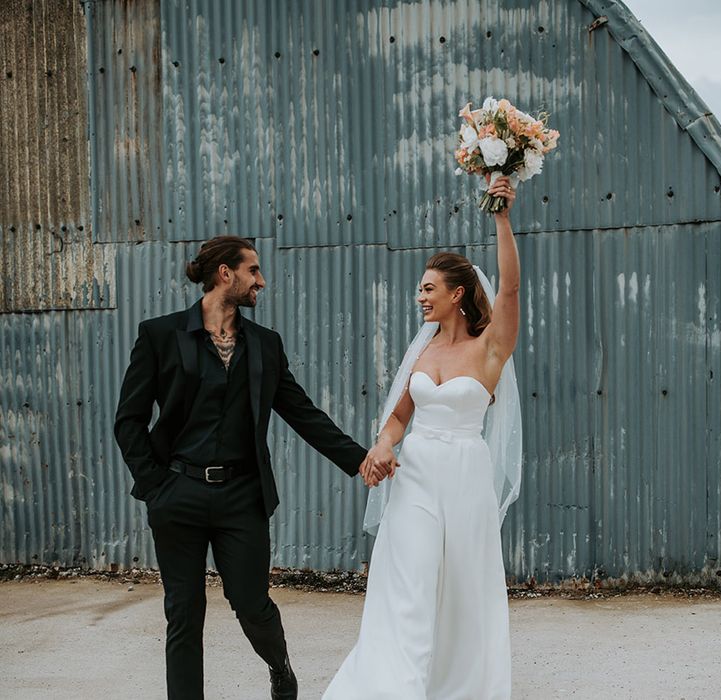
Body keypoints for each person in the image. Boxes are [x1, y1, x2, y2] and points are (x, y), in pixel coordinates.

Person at [114, 235, 388, 700]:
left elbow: (302, 413)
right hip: (177, 493)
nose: (261, 281)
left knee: (251, 604)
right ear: (226, 273)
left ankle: (279, 666)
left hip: (242, 495)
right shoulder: (160, 335)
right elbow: (129, 420)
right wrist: (155, 485)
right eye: (254, 271)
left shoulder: (264, 344)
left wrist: (360, 458)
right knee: (183, 612)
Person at [324, 175, 521, 699]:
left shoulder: (490, 350)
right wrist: (384, 445)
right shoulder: (423, 352)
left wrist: (501, 217)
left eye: (429, 288)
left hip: (464, 478)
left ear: (458, 294)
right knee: (408, 588)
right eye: (420, 288)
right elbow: (397, 418)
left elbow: (511, 290)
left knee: (459, 595)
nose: (420, 297)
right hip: (415, 479)